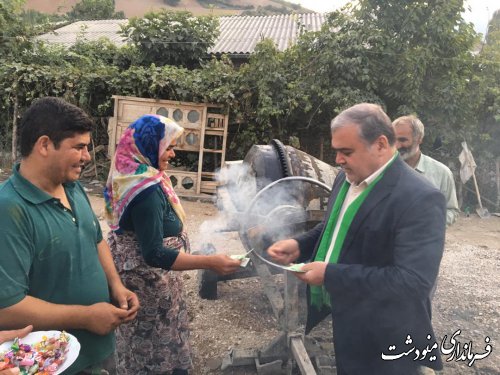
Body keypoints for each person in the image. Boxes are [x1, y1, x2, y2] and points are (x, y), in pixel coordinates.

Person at [267, 103, 446, 375]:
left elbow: (413, 283)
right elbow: (333, 229)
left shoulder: (420, 198)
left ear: (381, 144)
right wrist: (299, 245)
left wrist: (330, 275)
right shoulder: (346, 178)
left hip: (388, 335)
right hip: (348, 317)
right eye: (337, 151)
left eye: (346, 152)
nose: (338, 159)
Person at [0, 97, 140, 375]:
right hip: (54, 363)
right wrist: (86, 317)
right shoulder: (10, 210)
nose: (87, 156)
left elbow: (95, 239)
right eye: (78, 147)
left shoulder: (72, 187)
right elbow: (8, 307)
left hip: (98, 347)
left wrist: (116, 285)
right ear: (44, 145)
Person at [104, 114, 241, 375]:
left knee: (146, 338)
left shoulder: (133, 171)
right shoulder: (145, 192)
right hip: (148, 281)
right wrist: (210, 261)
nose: (174, 154)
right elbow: (154, 253)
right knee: (153, 344)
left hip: (148, 276)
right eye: (168, 147)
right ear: (148, 146)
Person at [393, 115, 459, 226]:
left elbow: (452, 211)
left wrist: (429, 222)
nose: (397, 145)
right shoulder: (381, 171)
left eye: (403, 140)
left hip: (424, 241)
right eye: (393, 140)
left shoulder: (442, 173)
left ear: (419, 139)